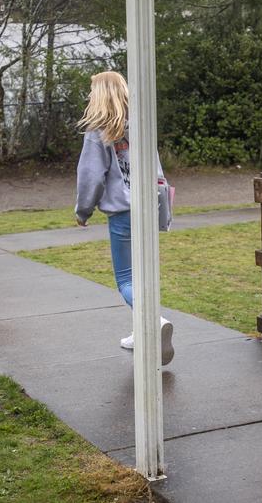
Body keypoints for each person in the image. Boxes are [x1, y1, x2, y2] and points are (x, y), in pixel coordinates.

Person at [74, 71, 174, 365]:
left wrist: (83, 210)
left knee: (126, 278)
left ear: (99, 94)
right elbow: (155, 164)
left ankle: (153, 323)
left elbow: (91, 176)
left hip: (122, 211)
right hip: (150, 205)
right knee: (145, 272)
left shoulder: (98, 129)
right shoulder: (142, 123)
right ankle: (140, 331)